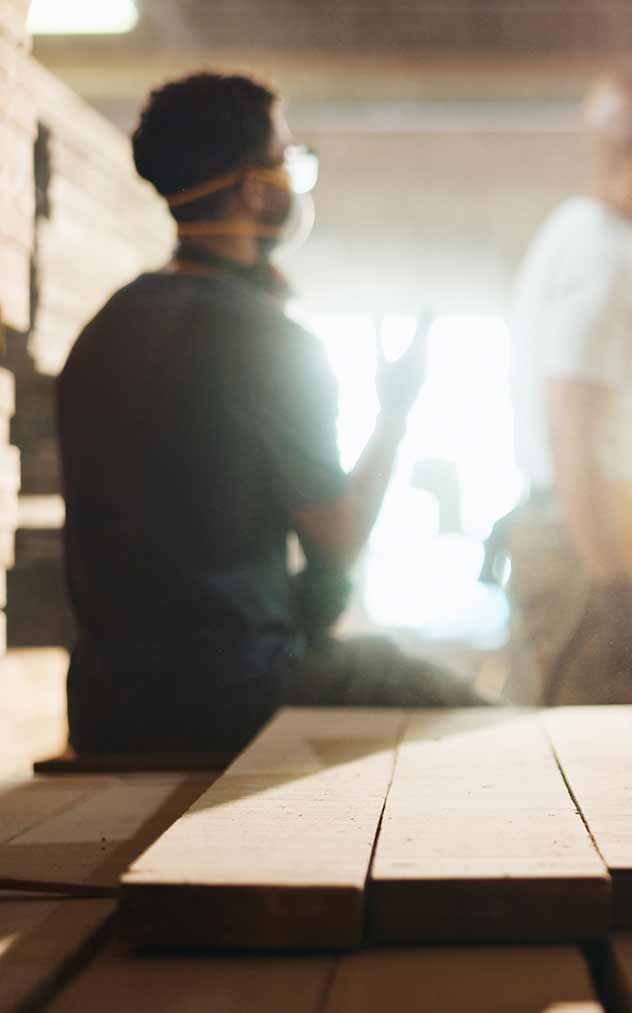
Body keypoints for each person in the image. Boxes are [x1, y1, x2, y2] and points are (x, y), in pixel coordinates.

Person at [58, 72, 485, 754]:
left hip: (105, 709)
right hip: (232, 700)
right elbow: (338, 537)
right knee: (473, 717)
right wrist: (396, 410)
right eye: (289, 160)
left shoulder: (103, 329)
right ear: (256, 189)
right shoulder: (271, 341)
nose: (296, 180)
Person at [498, 71, 632, 705]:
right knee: (578, 765)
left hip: (590, 531)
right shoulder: (599, 254)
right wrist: (611, 579)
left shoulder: (591, 236)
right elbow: (573, 425)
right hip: (588, 541)